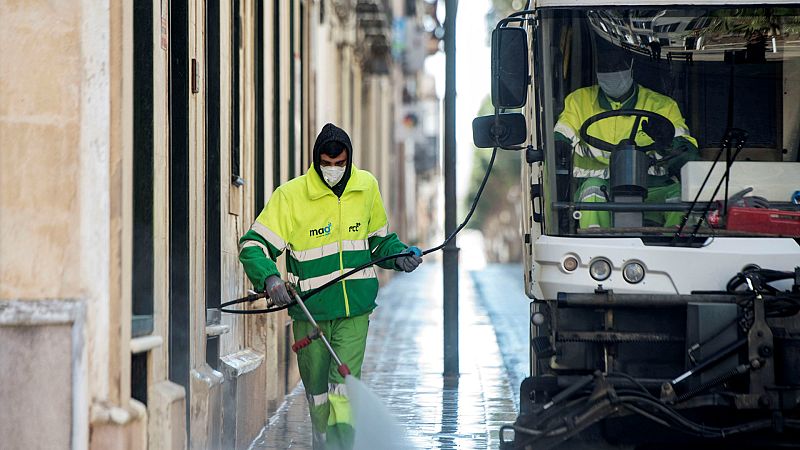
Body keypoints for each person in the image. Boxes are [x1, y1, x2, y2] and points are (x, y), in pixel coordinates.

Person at [238, 123, 423, 449]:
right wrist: (269, 277)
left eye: (340, 164)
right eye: (327, 164)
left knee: (343, 388)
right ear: (316, 160)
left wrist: (400, 257)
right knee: (318, 393)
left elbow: (379, 244)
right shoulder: (291, 197)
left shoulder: (366, 187)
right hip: (310, 314)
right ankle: (324, 443)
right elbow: (253, 245)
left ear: (349, 161)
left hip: (355, 311)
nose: (334, 170)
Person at [554, 45, 699, 228]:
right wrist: (559, 145)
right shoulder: (578, 101)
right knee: (592, 191)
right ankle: (596, 250)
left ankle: (677, 248)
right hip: (603, 187)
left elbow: (690, 157)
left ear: (631, 67)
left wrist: (668, 141)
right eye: (605, 68)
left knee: (680, 195)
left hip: (654, 187)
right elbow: (562, 134)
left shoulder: (662, 106)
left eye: (617, 66)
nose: (611, 72)